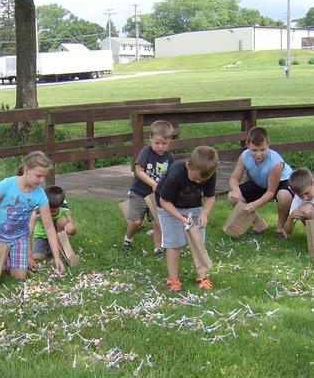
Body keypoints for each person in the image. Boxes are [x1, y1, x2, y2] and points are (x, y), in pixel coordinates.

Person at [0, 151, 65, 280]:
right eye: (38, 176)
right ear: (26, 170)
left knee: (19, 277)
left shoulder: (40, 195)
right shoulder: (6, 185)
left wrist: (56, 258)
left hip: (19, 238)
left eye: (44, 176)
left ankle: (7, 257)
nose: (42, 180)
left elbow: (49, 227)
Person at [155, 146, 218, 291]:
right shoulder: (176, 174)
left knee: (198, 240)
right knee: (174, 241)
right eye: (195, 178)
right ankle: (173, 279)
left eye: (201, 181)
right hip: (168, 205)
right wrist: (181, 219)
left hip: (193, 205)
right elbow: (164, 201)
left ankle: (202, 276)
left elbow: (209, 197)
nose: (197, 182)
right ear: (188, 165)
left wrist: (204, 214)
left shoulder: (208, 173)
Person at [227, 126, 293, 238]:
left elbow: (271, 192)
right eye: (254, 150)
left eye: (263, 150)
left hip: (282, 182)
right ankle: (259, 223)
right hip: (261, 182)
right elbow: (234, 178)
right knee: (232, 196)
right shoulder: (244, 156)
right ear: (247, 145)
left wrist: (255, 204)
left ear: (268, 145)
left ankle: (280, 227)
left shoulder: (275, 163)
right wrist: (236, 190)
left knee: (283, 196)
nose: (258, 154)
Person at [123, 120, 175, 255]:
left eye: (164, 144)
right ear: (150, 139)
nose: (160, 147)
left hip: (156, 196)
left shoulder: (170, 157)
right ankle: (128, 239)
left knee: (157, 222)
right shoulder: (146, 152)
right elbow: (138, 171)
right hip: (139, 193)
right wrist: (153, 184)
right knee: (136, 221)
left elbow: (170, 177)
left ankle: (158, 249)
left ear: (170, 142)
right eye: (157, 143)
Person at [29, 185, 76, 261]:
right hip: (42, 236)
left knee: (62, 220)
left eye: (54, 210)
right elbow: (29, 230)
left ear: (61, 205)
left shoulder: (64, 207)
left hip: (58, 236)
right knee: (37, 256)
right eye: (49, 209)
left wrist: (70, 227)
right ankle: (50, 250)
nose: (51, 212)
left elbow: (72, 226)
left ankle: (60, 247)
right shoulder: (38, 209)